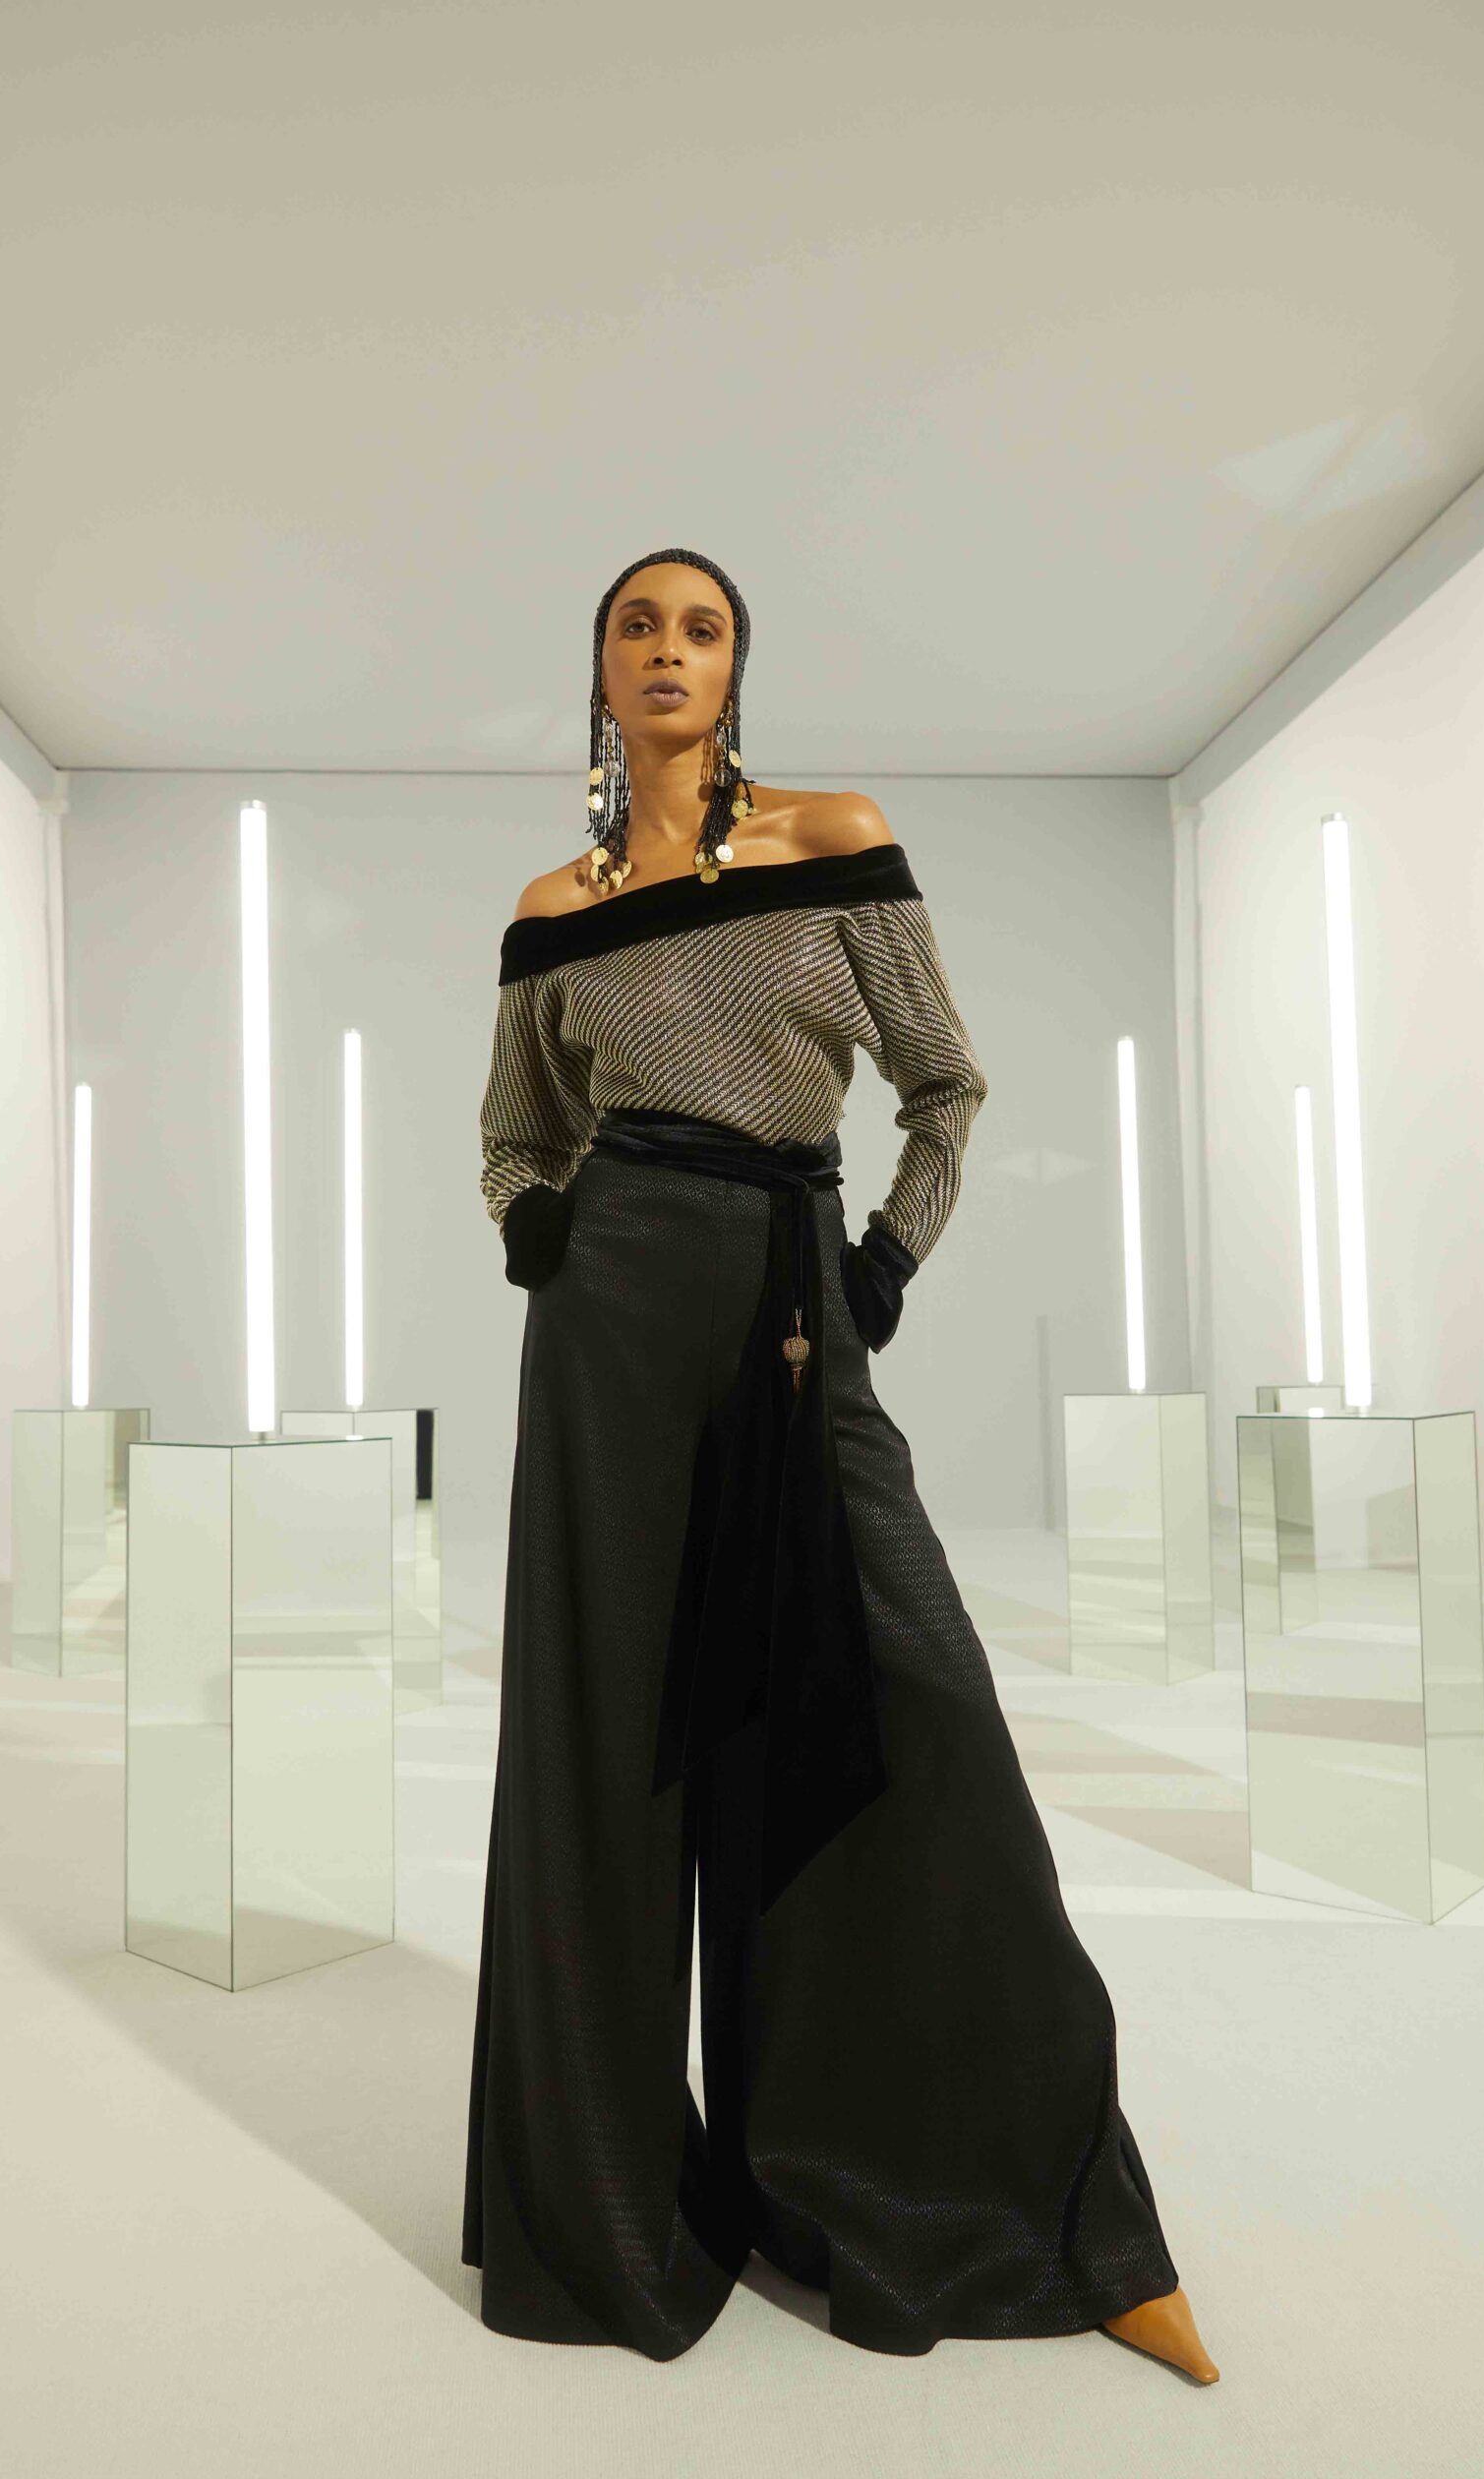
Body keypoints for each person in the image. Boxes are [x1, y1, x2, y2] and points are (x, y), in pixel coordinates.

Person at [462, 545, 1218, 2384]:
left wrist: (883, 1258)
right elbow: (513, 1133)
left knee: (913, 1701)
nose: (668, 650)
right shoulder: (555, 906)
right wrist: (539, 1232)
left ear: (738, 668)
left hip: (797, 1311)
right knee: (611, 1751)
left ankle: (1027, 2206)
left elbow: (944, 1083)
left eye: (700, 628)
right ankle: (608, 2210)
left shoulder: (832, 841)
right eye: (637, 626)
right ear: (598, 669)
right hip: (610, 1336)